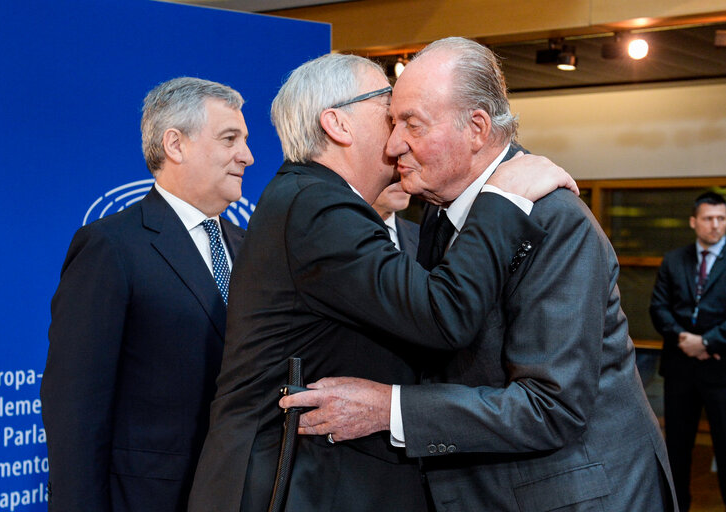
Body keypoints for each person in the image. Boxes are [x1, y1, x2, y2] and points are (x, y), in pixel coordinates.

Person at [282, 38, 677, 511]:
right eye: (392, 123)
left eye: (411, 124)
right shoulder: (436, 212)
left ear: (476, 128)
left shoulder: (554, 220)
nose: (392, 145)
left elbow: (550, 408)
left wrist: (389, 409)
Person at [187, 53, 574, 512]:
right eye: (389, 114)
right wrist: (504, 198)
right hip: (288, 485)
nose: (398, 138)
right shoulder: (317, 206)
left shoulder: (313, 200)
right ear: (337, 125)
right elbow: (442, 314)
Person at [40, 77, 253, 512]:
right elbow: (75, 409)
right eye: (230, 139)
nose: (247, 156)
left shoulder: (249, 246)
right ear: (175, 145)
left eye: (245, 141)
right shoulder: (111, 246)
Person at [651, 191, 726, 511]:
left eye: (722, 219)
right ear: (694, 222)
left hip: (721, 368)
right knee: (677, 449)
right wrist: (683, 337)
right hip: (680, 367)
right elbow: (658, 308)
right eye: (709, 218)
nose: (716, 225)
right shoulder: (674, 259)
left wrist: (707, 342)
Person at [372, 181, 419, 256]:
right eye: (394, 172)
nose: (402, 181)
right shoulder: (348, 232)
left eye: (408, 172)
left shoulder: (422, 236)